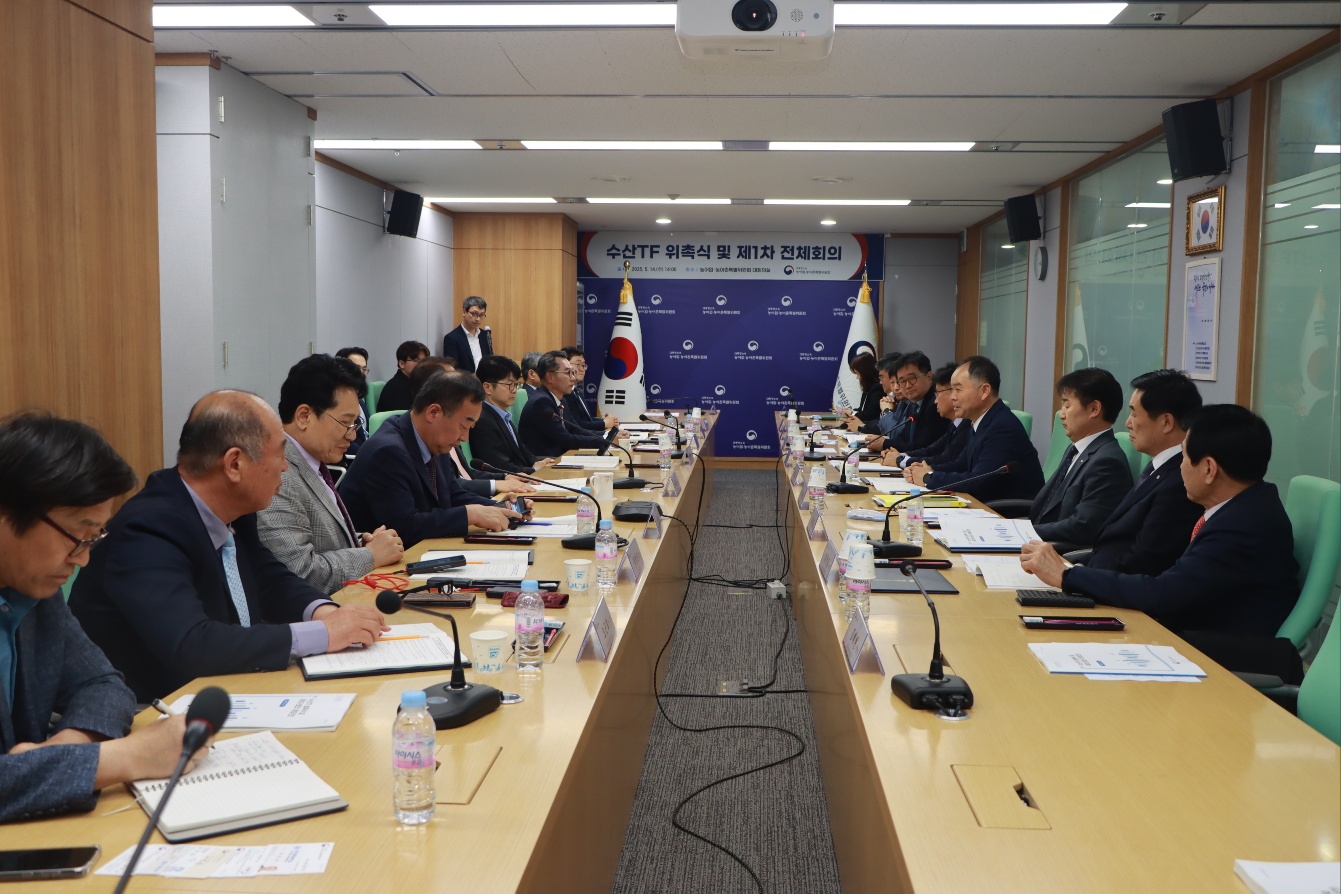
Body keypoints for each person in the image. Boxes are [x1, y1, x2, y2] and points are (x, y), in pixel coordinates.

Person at [69, 391, 388, 703]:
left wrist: (325, 613)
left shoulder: (235, 509)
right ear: (234, 464)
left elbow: (267, 578)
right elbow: (193, 644)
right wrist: (323, 634)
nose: (285, 467)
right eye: (279, 454)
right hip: (153, 707)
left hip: (230, 687)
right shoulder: (146, 531)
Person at [0, 413, 209, 823]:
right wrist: (123, 758)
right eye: (78, 535)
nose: (83, 559)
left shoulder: (34, 593)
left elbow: (103, 684)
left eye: (94, 538)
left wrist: (68, 747)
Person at [1023, 405, 1301, 678]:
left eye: (1184, 457)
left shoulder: (1240, 527)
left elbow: (1165, 594)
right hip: (1187, 639)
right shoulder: (1247, 505)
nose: (1180, 466)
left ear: (1209, 469)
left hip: (1214, 666)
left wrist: (1067, 575)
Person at [1021, 369, 1203, 577]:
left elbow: (1141, 562)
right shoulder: (1157, 470)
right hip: (1090, 571)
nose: (1127, 423)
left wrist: (1070, 575)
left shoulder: (1179, 483)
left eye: (1134, 414)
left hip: (1103, 585)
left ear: (1166, 422)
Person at [257, 354, 404, 595]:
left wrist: (360, 542)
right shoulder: (278, 476)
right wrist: (370, 555)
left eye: (356, 425)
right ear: (304, 416)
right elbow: (299, 573)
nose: (352, 436)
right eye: (346, 423)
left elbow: (317, 537)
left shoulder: (312, 461)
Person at [339, 370, 521, 547]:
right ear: (433, 412)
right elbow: (404, 526)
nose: (465, 437)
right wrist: (469, 515)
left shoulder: (434, 440)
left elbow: (452, 493)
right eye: (463, 426)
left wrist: (499, 508)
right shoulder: (388, 452)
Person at [908, 355, 1044, 502]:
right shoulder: (981, 421)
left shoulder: (1002, 427)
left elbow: (978, 482)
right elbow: (961, 465)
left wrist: (929, 478)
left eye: (958, 389)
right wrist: (926, 469)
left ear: (984, 391)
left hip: (1007, 511)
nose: (952, 397)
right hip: (985, 504)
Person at [1026, 367, 1132, 551]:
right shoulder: (1076, 449)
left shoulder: (1107, 462)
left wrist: (1027, 532)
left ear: (1094, 409)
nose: (1062, 414)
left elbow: (1082, 526)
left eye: (1067, 406)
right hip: (1039, 542)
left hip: (1058, 553)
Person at [406, 358, 534, 497]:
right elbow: (451, 489)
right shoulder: (407, 447)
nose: (464, 438)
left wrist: (503, 481)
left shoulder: (445, 432)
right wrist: (493, 488)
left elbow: (462, 476)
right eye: (455, 383)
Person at [470, 354, 556, 474]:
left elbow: (523, 453)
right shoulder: (483, 421)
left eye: (516, 384)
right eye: (509, 385)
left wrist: (539, 462)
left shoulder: (503, 415)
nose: (514, 390)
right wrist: (534, 469)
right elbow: (500, 466)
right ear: (488, 387)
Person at [519, 350, 613, 458]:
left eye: (573, 373)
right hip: (547, 462)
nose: (573, 378)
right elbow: (566, 440)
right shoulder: (540, 403)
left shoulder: (561, 400)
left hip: (563, 458)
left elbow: (575, 430)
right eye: (568, 373)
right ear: (550, 377)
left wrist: (607, 435)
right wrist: (606, 441)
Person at [885, 362, 968, 470]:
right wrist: (900, 456)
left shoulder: (967, 426)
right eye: (902, 381)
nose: (936, 401)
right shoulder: (955, 424)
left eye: (938, 393)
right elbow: (931, 450)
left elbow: (945, 459)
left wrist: (900, 460)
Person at [881, 351, 949, 453]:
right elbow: (904, 438)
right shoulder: (913, 403)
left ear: (929, 377)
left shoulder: (935, 405)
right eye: (902, 381)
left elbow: (923, 446)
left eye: (912, 378)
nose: (908, 385)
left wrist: (884, 444)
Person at [560, 345, 619, 431]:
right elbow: (577, 425)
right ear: (565, 365)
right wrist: (604, 423)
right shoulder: (563, 393)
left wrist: (608, 421)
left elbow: (587, 420)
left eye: (583, 365)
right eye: (578, 364)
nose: (582, 369)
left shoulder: (577, 392)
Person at [442, 296, 493, 375]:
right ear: (464, 312)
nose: (478, 319)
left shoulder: (484, 335)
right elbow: (452, 369)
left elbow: (489, 360)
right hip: (465, 381)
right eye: (474, 314)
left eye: (481, 315)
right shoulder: (452, 338)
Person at [334, 346, 371, 456]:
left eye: (364, 369)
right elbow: (341, 439)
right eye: (357, 368)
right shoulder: (336, 401)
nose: (362, 374)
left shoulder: (360, 400)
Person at [375, 340, 429, 413]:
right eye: (416, 360)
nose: (422, 365)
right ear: (402, 364)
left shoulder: (417, 383)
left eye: (424, 361)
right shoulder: (396, 388)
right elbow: (406, 417)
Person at [841, 351, 883, 425]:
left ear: (865, 373)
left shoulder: (877, 388)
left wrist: (851, 413)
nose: (857, 377)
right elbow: (862, 409)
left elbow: (871, 415)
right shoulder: (868, 387)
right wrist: (849, 411)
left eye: (858, 374)